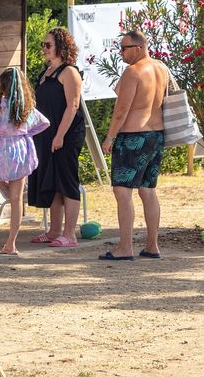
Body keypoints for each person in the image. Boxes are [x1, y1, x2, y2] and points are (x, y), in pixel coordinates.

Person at [100, 30, 168, 261]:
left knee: (122, 191)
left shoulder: (133, 71)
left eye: (124, 48)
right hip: (156, 135)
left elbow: (121, 110)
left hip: (133, 137)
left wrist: (109, 137)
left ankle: (125, 247)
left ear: (138, 48)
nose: (121, 53)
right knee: (147, 190)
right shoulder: (161, 68)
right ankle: (152, 245)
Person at [0, 67, 49, 256]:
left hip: (3, 152)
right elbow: (44, 122)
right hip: (21, 150)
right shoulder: (26, 105)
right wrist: (25, 134)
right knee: (16, 198)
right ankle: (11, 243)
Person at [28, 27, 86, 248]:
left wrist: (60, 135)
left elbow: (72, 106)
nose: (44, 48)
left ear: (61, 47)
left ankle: (69, 235)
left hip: (67, 134)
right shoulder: (46, 71)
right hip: (47, 133)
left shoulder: (69, 72)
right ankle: (54, 231)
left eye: (48, 45)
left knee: (67, 180)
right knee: (51, 180)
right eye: (43, 44)